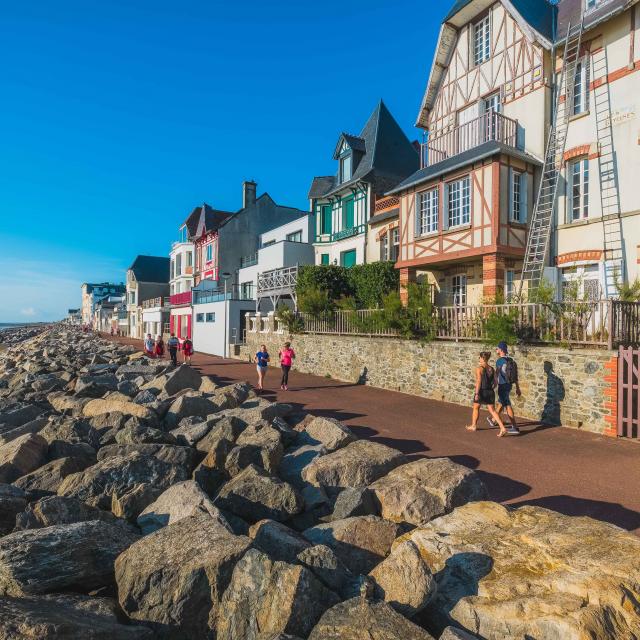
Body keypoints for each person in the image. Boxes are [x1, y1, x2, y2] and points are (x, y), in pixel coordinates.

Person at [465, 351, 507, 437]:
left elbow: (479, 381)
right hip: (490, 391)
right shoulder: (491, 368)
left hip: (481, 391)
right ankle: (502, 428)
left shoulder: (479, 369)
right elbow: (496, 382)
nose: (479, 359)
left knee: (476, 407)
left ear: (483, 358)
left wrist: (477, 393)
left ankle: (473, 426)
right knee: (493, 411)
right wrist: (491, 388)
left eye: (480, 357)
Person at [489, 341, 521, 435]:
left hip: (502, 385)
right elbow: (515, 376)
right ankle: (494, 419)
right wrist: (517, 388)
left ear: (501, 350)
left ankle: (515, 427)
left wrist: (493, 384)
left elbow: (497, 374)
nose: (496, 350)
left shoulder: (499, 361)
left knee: (507, 405)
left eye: (497, 348)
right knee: (502, 402)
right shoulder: (511, 360)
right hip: (509, 385)